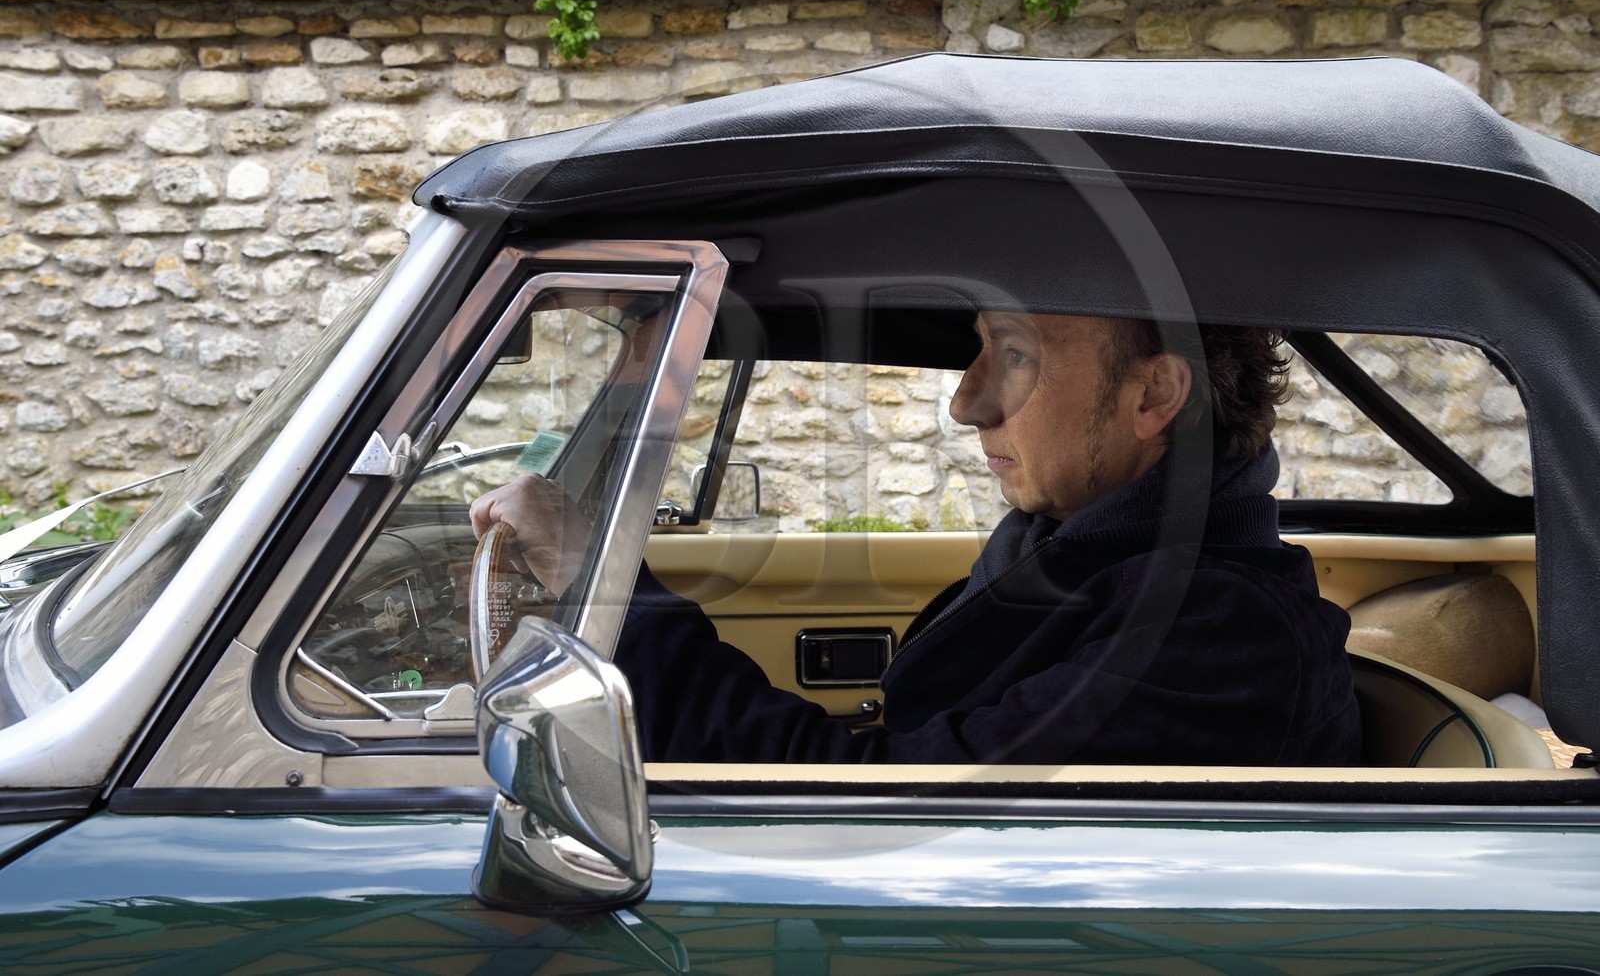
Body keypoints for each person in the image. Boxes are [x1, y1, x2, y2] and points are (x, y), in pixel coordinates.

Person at [471, 311, 1363, 766]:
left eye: (1013, 354)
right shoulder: (1082, 557)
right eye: (982, 352)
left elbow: (858, 806)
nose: (965, 401)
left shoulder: (1212, 632)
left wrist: (610, 584)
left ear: (1153, 397)